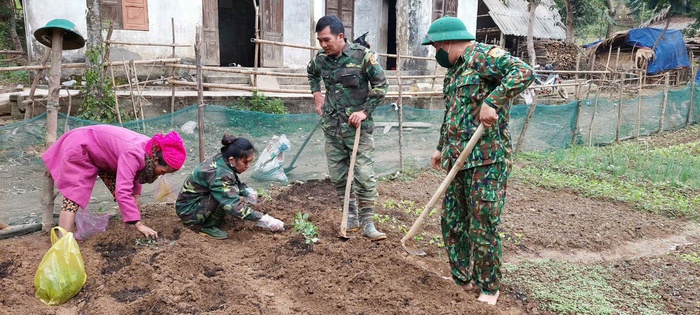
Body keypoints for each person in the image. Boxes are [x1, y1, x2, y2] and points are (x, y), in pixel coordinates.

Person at [421, 16, 535, 305]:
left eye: (436, 46)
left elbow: (523, 71)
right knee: (453, 221)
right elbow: (452, 115)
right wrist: (440, 146)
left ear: (448, 41)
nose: (436, 53)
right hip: (456, 159)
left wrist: (492, 101)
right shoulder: (454, 73)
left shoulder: (484, 57)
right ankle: (462, 278)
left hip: (486, 160)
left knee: (482, 224)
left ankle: (488, 287)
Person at [307, 15, 388, 241]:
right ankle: (349, 217)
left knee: (364, 175)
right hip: (332, 128)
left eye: (326, 40)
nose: (323, 45)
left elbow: (382, 84)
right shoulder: (321, 59)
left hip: (357, 129)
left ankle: (368, 223)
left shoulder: (363, 57)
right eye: (320, 41)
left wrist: (364, 111)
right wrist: (317, 95)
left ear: (340, 36)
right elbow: (311, 73)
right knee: (339, 177)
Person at [43, 125, 187, 240]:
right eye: (163, 171)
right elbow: (123, 191)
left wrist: (136, 226)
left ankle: (130, 234)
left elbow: (134, 188)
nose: (161, 175)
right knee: (73, 198)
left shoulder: (151, 151)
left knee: (132, 195)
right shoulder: (133, 153)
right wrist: (139, 224)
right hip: (80, 147)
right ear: (156, 160)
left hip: (102, 156)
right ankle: (63, 246)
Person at [175, 134, 284, 239]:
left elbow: (231, 180)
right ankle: (206, 227)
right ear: (232, 160)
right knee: (226, 198)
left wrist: (246, 192)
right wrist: (265, 219)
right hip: (188, 211)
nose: (248, 166)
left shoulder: (223, 159)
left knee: (228, 192)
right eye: (245, 162)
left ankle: (208, 218)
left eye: (250, 162)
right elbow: (233, 206)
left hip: (193, 202)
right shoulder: (220, 174)